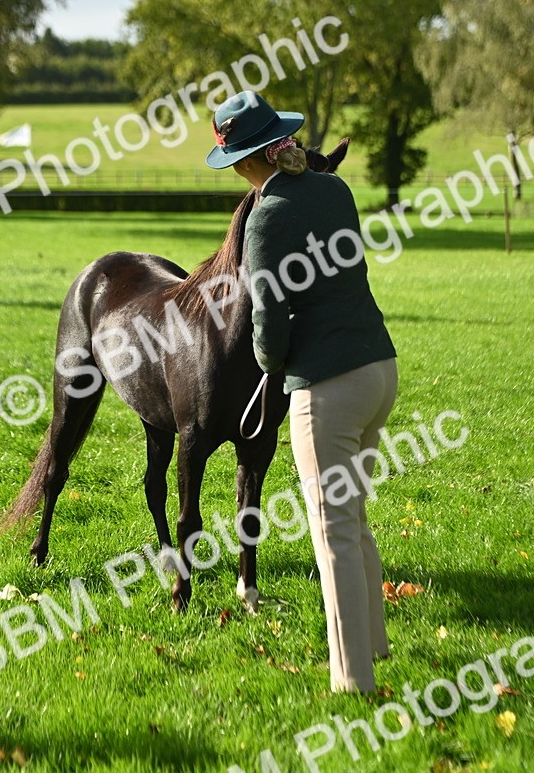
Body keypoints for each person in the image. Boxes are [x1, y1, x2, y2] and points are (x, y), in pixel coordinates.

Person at [206, 91, 399, 694]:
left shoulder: (264, 216)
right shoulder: (335, 191)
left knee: (330, 530)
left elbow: (267, 321)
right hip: (379, 369)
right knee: (354, 517)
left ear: (243, 163)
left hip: (329, 389)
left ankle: (353, 681)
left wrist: (269, 362)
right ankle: (374, 644)